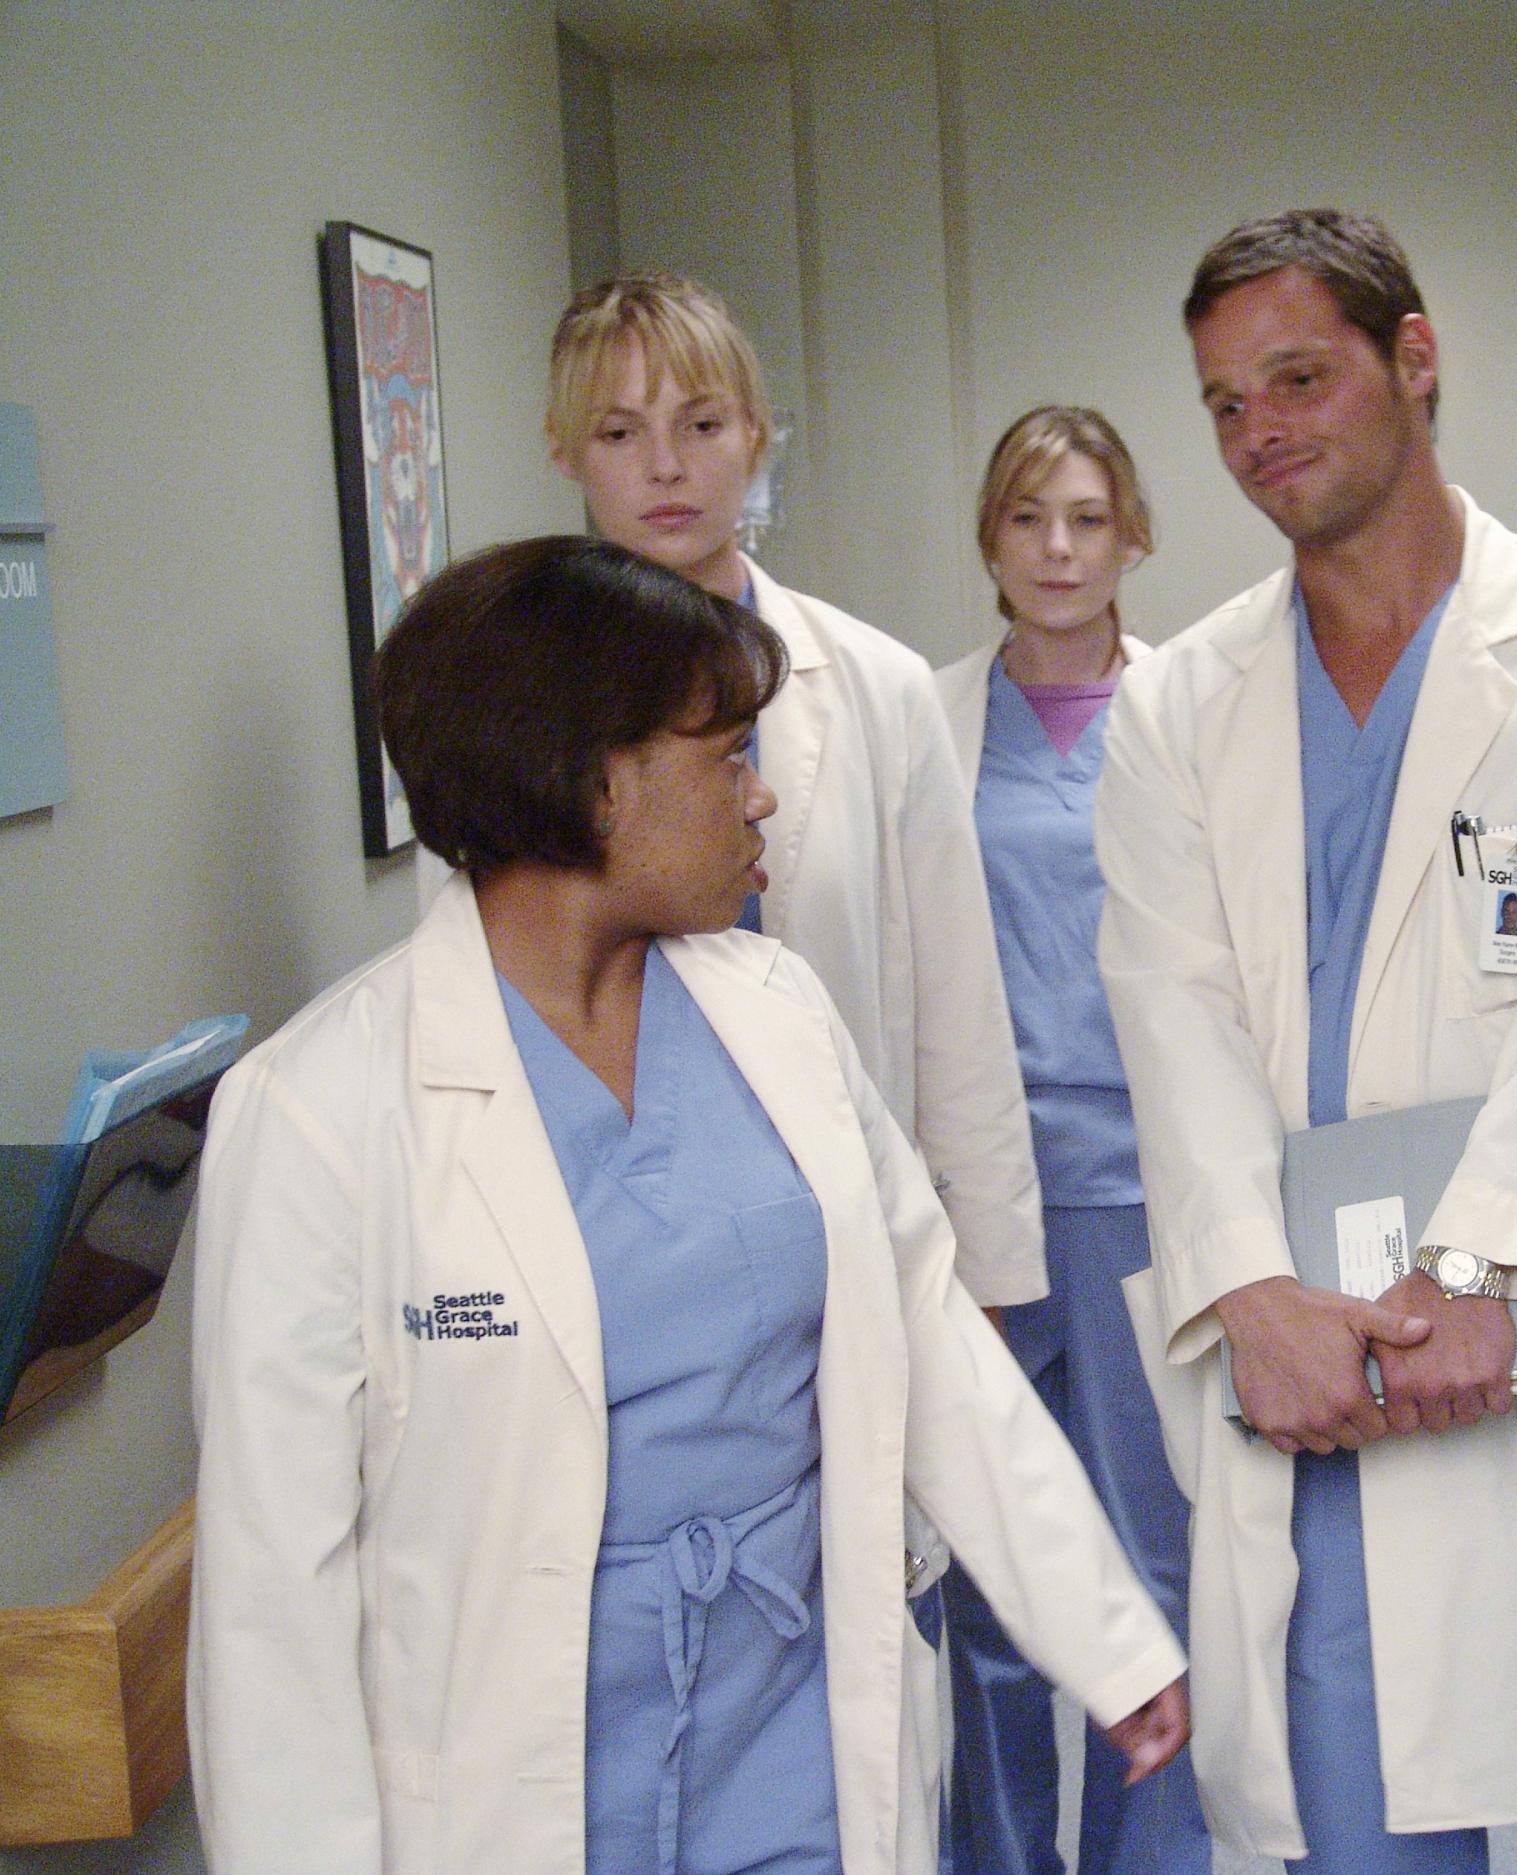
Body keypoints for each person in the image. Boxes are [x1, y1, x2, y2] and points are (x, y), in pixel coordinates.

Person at [188, 536, 1190, 1875]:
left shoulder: (777, 1015)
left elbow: (931, 1345)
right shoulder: (316, 1113)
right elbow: (273, 1605)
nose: (760, 796)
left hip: (792, 1761)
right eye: (724, 758)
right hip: (508, 1798)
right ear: (592, 780)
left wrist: (1102, 1633)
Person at [1095, 207, 1517, 1874]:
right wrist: (1251, 1292)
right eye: (1225, 403)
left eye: (1298, 378)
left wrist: (1480, 1268)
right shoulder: (1177, 704)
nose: (1260, 432)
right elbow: (1172, 1011)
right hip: (1320, 1379)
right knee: (1357, 1809)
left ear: (1415, 358)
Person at [536, 272, 1046, 1858]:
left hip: (843, 1251)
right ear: (566, 454)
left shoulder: (870, 686)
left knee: (888, 1660)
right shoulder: (516, 702)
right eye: (619, 431)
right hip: (617, 1273)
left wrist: (988, 1280)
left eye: (700, 423)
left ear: (760, 436)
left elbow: (956, 1001)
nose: (664, 465)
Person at [929, 407, 1211, 1875]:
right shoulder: (926, 723)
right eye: (1028, 518)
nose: (1056, 549)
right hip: (974, 1197)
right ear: (989, 538)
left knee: (1145, 1569)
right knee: (982, 1576)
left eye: (1088, 519)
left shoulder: (1191, 715)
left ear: (1132, 537)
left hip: (1133, 1196)